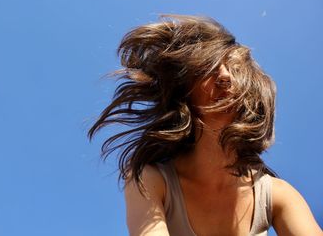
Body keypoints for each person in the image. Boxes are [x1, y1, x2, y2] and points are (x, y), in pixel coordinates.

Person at [88, 15, 322, 236]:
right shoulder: (153, 179)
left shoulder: (276, 194)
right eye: (208, 67)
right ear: (185, 89)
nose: (225, 77)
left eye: (235, 70)